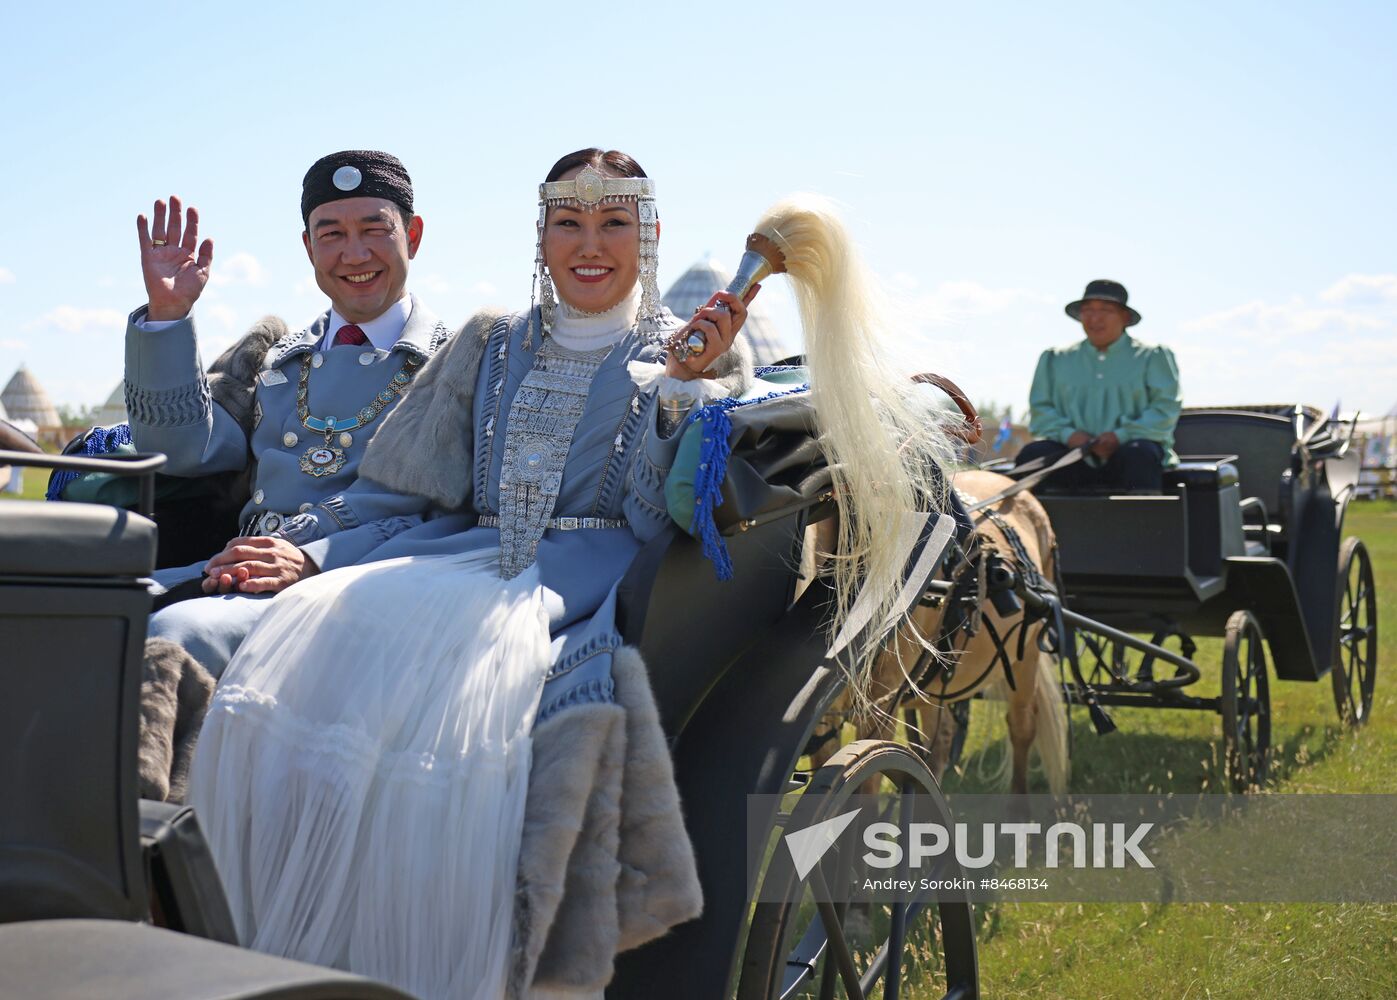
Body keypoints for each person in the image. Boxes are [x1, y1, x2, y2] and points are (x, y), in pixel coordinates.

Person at [188, 148, 757, 1000]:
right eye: (568, 222)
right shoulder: (490, 343)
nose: (588, 243)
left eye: (612, 222)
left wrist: (683, 390)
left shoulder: (701, 364)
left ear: (649, 234)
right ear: (541, 234)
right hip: (460, 556)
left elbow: (657, 521)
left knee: (468, 698)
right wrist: (310, 549)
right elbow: (396, 489)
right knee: (329, 639)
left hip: (586, 577)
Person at [126, 150, 450, 679]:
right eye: (331, 235)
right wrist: (169, 316)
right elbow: (180, 451)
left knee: (176, 638)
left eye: (374, 229)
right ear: (308, 247)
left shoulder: (458, 364)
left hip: (353, 588)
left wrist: (316, 557)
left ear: (412, 236)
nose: (354, 253)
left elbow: (459, 518)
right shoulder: (272, 359)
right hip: (234, 576)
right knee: (65, 606)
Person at [1015, 279, 1181, 491]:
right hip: (1072, 455)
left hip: (1131, 455)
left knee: (1140, 453)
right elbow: (1041, 410)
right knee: (1033, 454)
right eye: (1088, 310)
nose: (1095, 318)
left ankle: (1146, 521)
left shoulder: (1152, 356)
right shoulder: (1055, 358)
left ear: (1125, 317)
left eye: (1106, 310)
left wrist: (1119, 436)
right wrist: (1070, 435)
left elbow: (1165, 409)